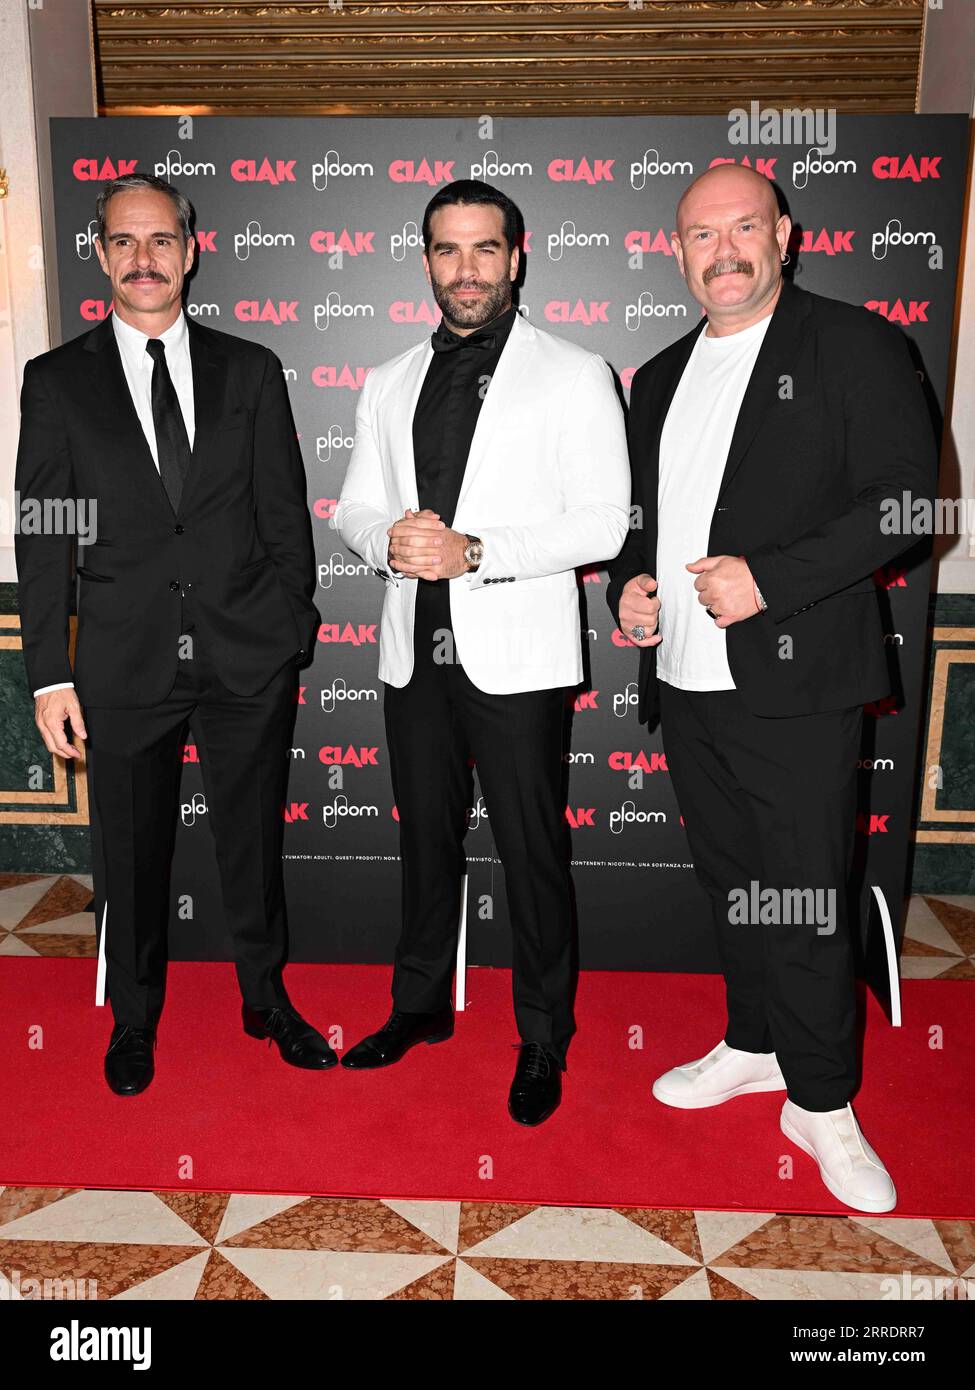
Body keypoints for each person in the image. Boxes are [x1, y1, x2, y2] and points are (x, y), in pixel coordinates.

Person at [607, 163, 936, 1211]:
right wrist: (630, 590)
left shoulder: (856, 345)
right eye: (703, 235)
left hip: (797, 682)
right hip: (688, 681)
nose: (726, 250)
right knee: (732, 880)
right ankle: (753, 1043)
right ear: (677, 251)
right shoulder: (656, 376)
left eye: (746, 226)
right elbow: (641, 526)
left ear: (786, 235)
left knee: (802, 898)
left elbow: (908, 510)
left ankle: (824, 1101)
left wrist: (771, 580)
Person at [15, 172, 331, 1095]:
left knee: (251, 844)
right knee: (132, 852)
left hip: (245, 658)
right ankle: (136, 1018)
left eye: (161, 240)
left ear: (192, 251)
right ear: (101, 256)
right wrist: (48, 675)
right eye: (123, 242)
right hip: (120, 663)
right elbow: (45, 538)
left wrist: (288, 631)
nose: (143, 258)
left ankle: (265, 998)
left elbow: (285, 520)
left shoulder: (250, 369)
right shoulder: (57, 381)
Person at [333, 179, 629, 1125]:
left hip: (515, 656)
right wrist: (388, 543)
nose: (465, 270)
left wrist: (477, 553)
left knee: (531, 850)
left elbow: (601, 523)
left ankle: (543, 1034)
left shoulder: (574, 371)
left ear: (516, 256)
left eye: (483, 250)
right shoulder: (385, 380)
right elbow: (352, 509)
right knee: (425, 840)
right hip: (413, 651)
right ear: (425, 261)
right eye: (446, 251)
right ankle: (419, 1006)